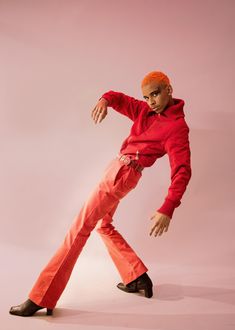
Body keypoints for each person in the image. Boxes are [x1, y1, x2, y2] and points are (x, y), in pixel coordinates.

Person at [9, 71, 192, 317]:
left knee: (79, 228)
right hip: (117, 169)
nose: (151, 101)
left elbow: (182, 171)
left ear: (169, 89)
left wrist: (167, 207)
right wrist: (104, 100)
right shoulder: (144, 110)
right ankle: (136, 275)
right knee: (103, 224)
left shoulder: (176, 128)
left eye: (156, 94)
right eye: (147, 96)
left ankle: (42, 296)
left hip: (123, 174)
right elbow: (117, 97)